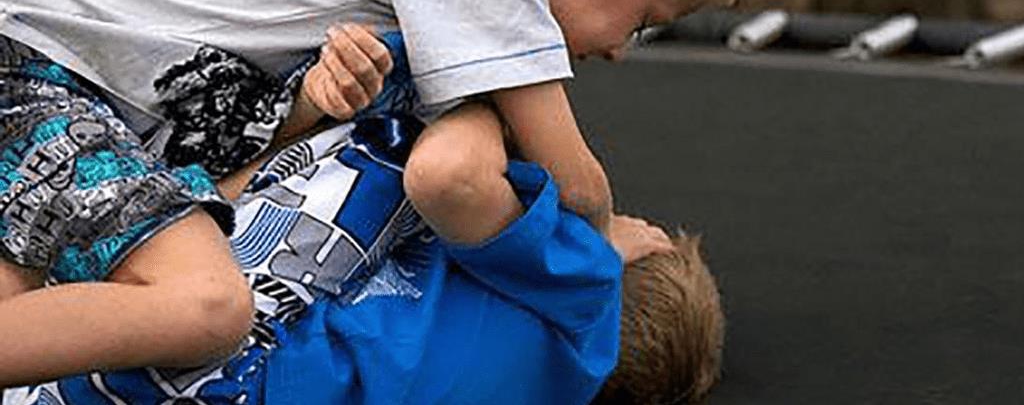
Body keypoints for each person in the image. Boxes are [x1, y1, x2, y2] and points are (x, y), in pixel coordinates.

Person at [0, 0, 743, 383]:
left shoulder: (428, 17)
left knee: (35, 318)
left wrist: (317, 102)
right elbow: (569, 173)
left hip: (81, 107)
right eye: (643, 20)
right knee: (206, 303)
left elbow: (234, 138)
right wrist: (598, 238)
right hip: (44, 65)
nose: (617, 51)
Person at [3, 44, 725, 404]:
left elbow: (449, 171)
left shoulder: (585, 297)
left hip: (227, 355)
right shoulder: (511, 352)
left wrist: (481, 70)